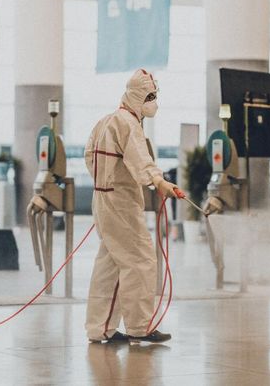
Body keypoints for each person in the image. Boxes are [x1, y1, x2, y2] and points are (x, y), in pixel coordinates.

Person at [84, 69, 185, 344]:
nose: (154, 102)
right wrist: (159, 182)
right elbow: (141, 159)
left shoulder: (105, 121)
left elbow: (88, 154)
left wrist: (103, 181)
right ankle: (140, 327)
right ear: (138, 97)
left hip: (103, 200)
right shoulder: (128, 123)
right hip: (121, 203)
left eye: (155, 95)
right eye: (150, 96)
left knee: (111, 263)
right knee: (140, 260)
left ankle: (99, 328)